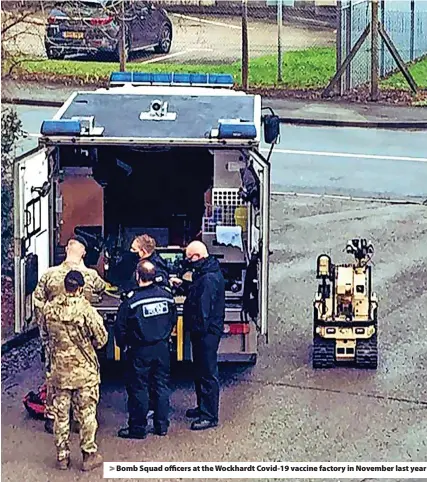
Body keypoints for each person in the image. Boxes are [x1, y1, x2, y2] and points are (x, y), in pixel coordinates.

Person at [34, 235, 106, 434]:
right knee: (83, 378)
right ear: (83, 253)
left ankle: (52, 416)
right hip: (81, 336)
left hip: (55, 336)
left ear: (66, 249)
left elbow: (38, 301)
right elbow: (103, 288)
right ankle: (80, 419)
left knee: (54, 376)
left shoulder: (49, 275)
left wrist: (45, 331)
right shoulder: (89, 275)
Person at [41, 271, 108, 471]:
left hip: (59, 372)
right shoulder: (86, 310)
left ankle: (62, 457)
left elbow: (44, 335)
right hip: (84, 372)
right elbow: (102, 338)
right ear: (79, 287)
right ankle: (89, 455)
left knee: (61, 416)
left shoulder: (49, 309)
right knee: (86, 414)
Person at [115, 260, 177, 439]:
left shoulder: (132, 300)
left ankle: (138, 428)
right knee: (161, 386)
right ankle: (161, 426)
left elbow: (121, 327)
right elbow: (173, 318)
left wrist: (123, 345)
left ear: (137, 276)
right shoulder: (166, 296)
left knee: (139, 389)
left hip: (140, 350)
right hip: (163, 348)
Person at [182, 240, 225, 431]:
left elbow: (203, 309)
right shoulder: (206, 272)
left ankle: (209, 415)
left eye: (189, 258)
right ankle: (202, 407)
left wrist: (196, 329)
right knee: (200, 371)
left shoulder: (208, 279)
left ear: (197, 257)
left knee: (207, 373)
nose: (188, 262)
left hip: (206, 333)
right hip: (204, 331)